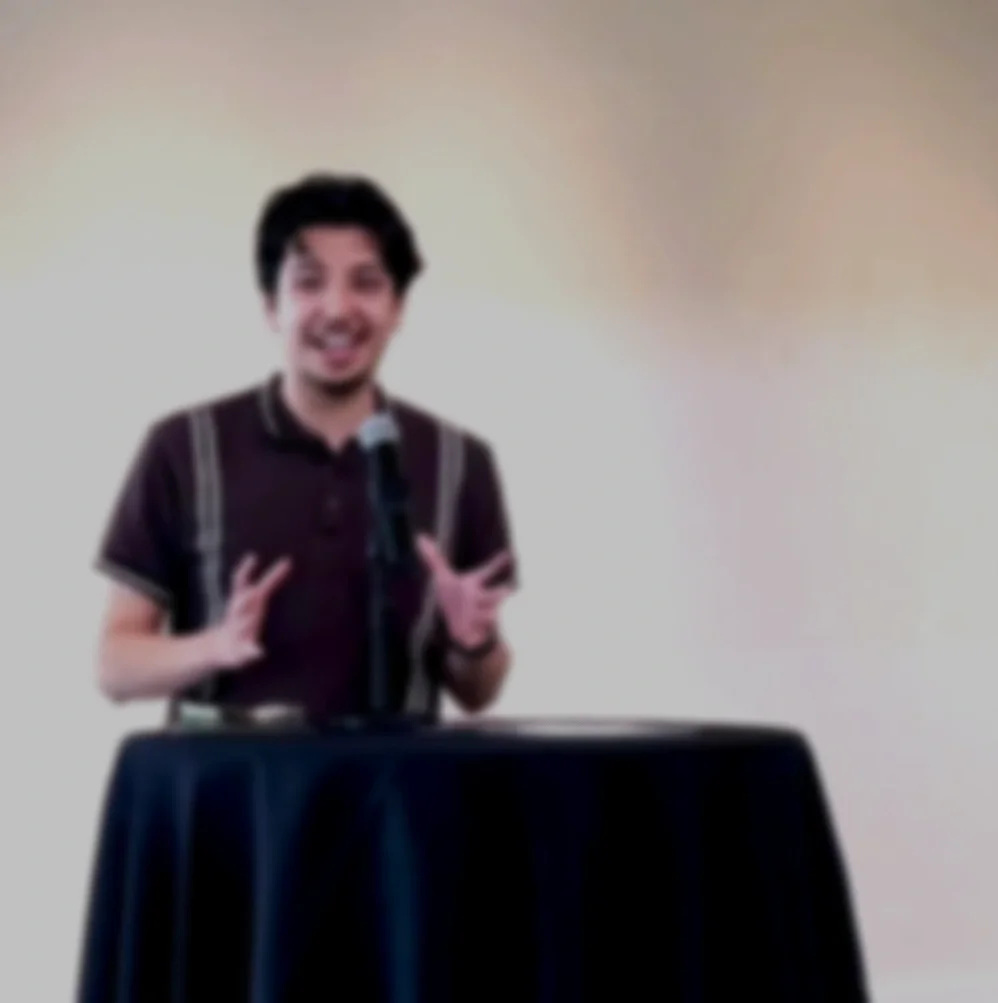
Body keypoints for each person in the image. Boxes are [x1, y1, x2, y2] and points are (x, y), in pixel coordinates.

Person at [94, 173, 519, 723]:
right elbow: (115, 666)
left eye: (366, 283)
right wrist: (214, 646)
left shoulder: (461, 463)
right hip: (232, 777)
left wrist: (473, 643)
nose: (337, 308)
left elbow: (479, 692)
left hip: (396, 778)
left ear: (397, 308)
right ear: (272, 306)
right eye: (309, 282)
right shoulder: (183, 447)